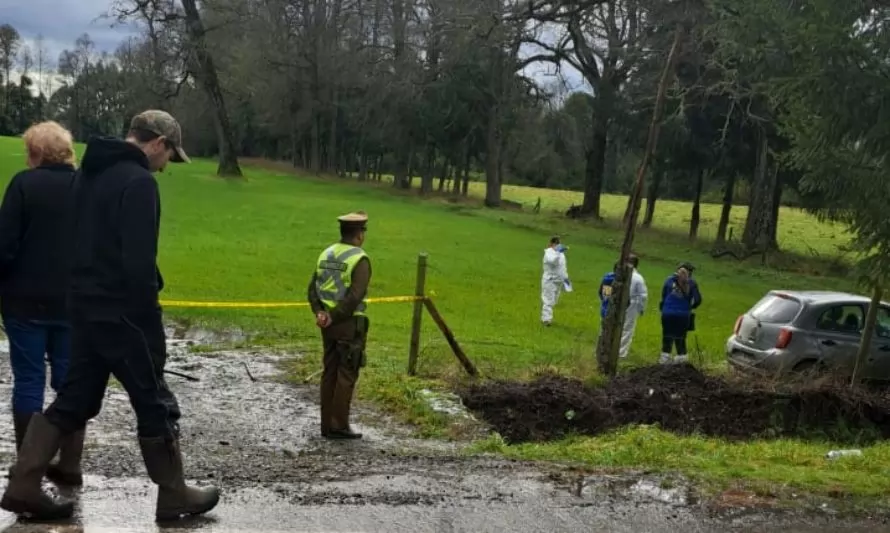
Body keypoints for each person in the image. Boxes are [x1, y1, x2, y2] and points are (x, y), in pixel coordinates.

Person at [0, 110, 219, 521]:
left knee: (76, 398)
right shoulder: (138, 182)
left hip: (82, 306)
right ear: (157, 143)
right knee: (154, 399)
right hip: (125, 313)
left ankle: (23, 482)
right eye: (170, 154)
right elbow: (138, 262)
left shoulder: (89, 174)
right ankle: (173, 493)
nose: (167, 164)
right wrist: (149, 319)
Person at [0, 122, 82, 485]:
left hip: (23, 301)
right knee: (71, 384)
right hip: (73, 302)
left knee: (29, 381)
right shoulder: (87, 188)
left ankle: (27, 468)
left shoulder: (22, 185)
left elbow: (5, 245)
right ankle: (70, 464)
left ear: (35, 153)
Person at [308, 211, 372, 440]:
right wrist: (334, 316)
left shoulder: (326, 253)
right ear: (360, 234)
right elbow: (355, 296)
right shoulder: (359, 259)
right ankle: (339, 425)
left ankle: (326, 424)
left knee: (330, 372)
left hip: (327, 324)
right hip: (348, 323)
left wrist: (321, 313)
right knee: (347, 373)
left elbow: (312, 289)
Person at [658, 262, 702, 364]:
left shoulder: (669, 280)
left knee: (667, 336)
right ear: (690, 272)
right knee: (680, 338)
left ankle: (664, 359)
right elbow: (698, 300)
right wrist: (690, 307)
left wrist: (665, 307)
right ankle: (681, 361)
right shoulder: (692, 283)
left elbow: (664, 296)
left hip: (667, 313)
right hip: (682, 315)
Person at [620, 254, 648, 359]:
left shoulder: (619, 273)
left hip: (617, 302)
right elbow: (643, 295)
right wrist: (641, 309)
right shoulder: (638, 278)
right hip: (631, 304)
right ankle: (621, 353)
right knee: (627, 328)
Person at [541, 236, 569, 326]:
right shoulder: (548, 253)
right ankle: (546, 319)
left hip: (559, 280)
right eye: (556, 244)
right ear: (551, 244)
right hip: (550, 280)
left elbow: (562, 267)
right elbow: (553, 262)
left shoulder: (561, 254)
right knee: (548, 299)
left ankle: (547, 316)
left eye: (558, 243)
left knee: (554, 300)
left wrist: (566, 280)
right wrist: (558, 252)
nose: (557, 245)